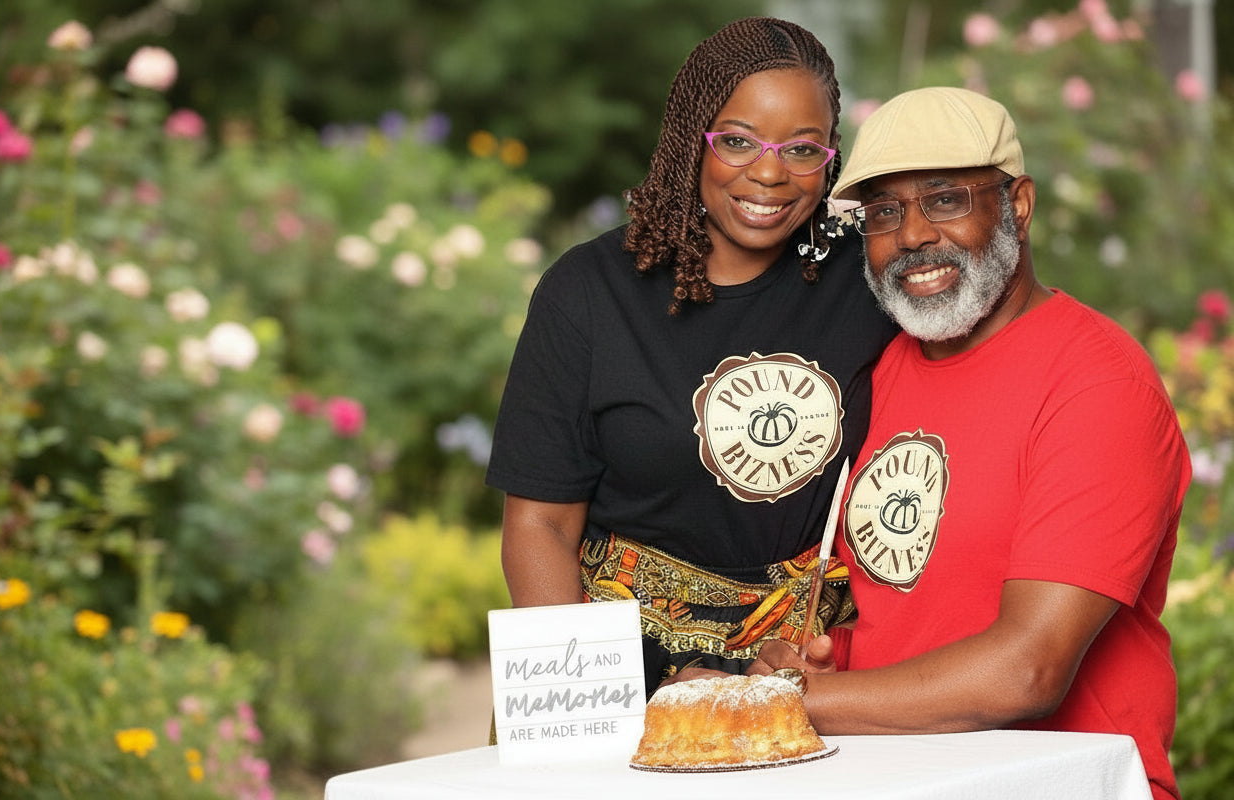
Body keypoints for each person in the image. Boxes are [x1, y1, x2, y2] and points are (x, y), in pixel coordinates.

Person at [748, 86, 1190, 800]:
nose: (912, 235)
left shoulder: (1098, 384)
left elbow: (1029, 670)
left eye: (945, 198)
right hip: (895, 780)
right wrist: (824, 667)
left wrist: (795, 701)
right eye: (884, 212)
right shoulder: (880, 369)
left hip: (1061, 784)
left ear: (1019, 204)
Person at [486, 17, 898, 695]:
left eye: (803, 149)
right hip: (619, 668)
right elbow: (542, 525)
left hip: (810, 673)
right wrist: (596, 698)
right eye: (737, 141)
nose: (769, 173)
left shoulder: (866, 282)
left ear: (831, 158)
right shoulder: (589, 292)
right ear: (692, 138)